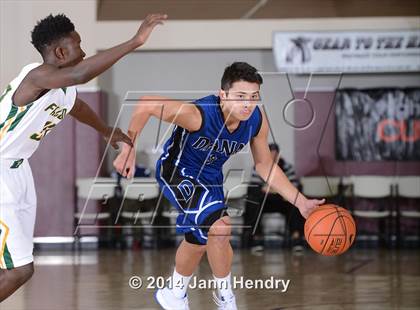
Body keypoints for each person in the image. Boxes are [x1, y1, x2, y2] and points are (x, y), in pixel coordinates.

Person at [114, 62, 325, 309]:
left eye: (254, 97)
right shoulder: (199, 114)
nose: (248, 103)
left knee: (199, 240)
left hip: (211, 179)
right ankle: (226, 301)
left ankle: (174, 293)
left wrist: (300, 201)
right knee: (221, 228)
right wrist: (128, 148)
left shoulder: (256, 119)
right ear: (222, 94)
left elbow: (265, 165)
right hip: (178, 172)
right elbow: (147, 103)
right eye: (240, 96)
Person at [0, 13, 167, 302]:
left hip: (18, 172)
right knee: (19, 271)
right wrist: (135, 41)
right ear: (61, 52)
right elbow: (80, 74)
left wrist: (105, 130)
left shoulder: (63, 90)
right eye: (78, 44)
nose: (84, 51)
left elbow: (76, 106)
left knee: (15, 265)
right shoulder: (35, 75)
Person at [242, 143, 305, 251]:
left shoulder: (287, 167)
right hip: (265, 201)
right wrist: (280, 189)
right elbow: (255, 188)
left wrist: (271, 189)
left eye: (275, 154)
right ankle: (257, 238)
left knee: (295, 202)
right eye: (270, 154)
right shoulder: (259, 167)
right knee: (253, 202)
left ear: (278, 155)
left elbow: (294, 187)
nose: (273, 157)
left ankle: (296, 238)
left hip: (282, 202)